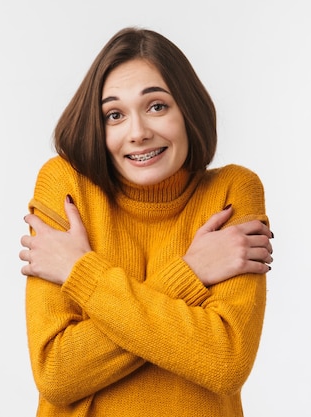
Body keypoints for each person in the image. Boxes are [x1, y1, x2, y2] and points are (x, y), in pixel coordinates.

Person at [19, 26, 274, 417]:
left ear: (187, 108)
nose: (138, 133)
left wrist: (79, 272)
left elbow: (225, 363)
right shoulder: (66, 186)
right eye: (114, 114)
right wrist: (191, 273)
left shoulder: (232, 191)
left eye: (157, 106)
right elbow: (56, 373)